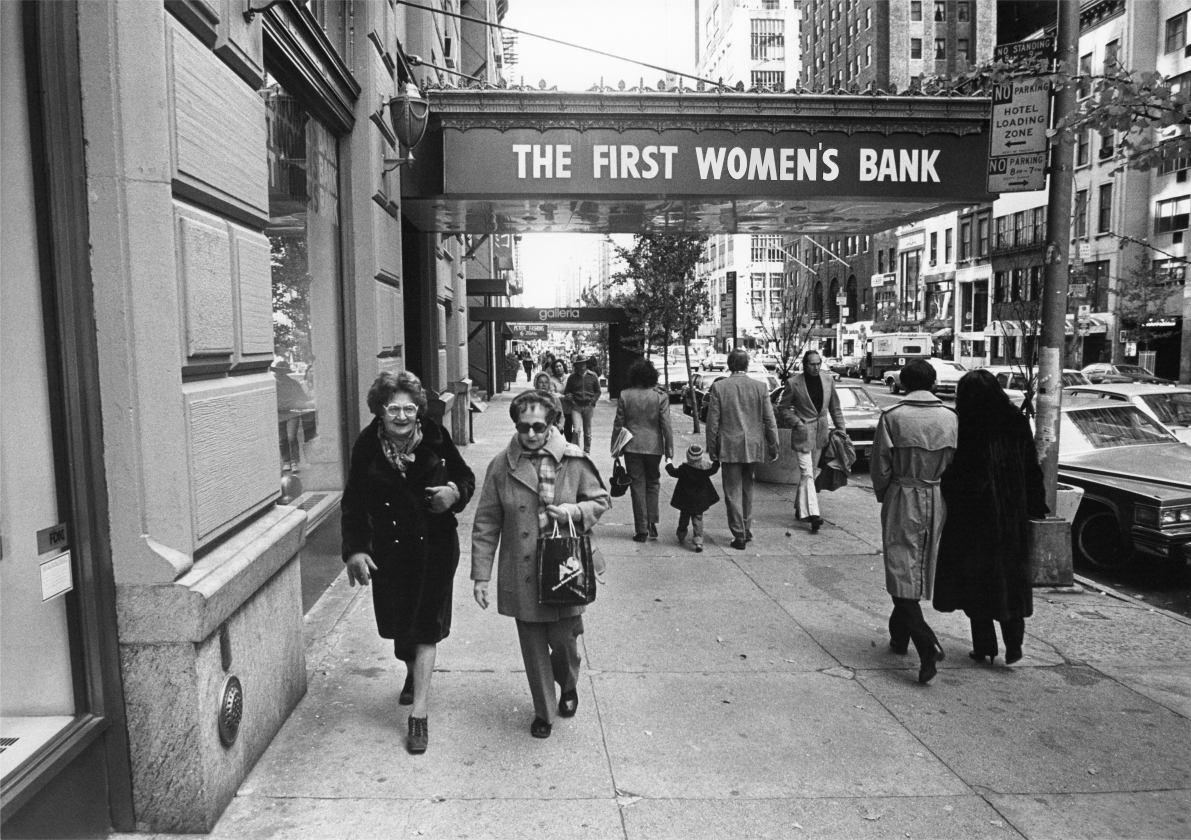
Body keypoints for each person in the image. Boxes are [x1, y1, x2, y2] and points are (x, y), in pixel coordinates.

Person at [341, 370, 475, 753]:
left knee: (427, 627)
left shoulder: (435, 436)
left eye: (409, 408)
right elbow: (353, 502)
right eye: (393, 409)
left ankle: (419, 715)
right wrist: (356, 549)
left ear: (418, 410)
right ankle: (411, 672)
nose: (402, 416)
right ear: (380, 411)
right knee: (401, 632)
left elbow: (465, 476)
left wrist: (453, 493)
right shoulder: (366, 445)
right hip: (389, 550)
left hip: (434, 544)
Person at [471, 390, 611, 738]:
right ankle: (544, 712)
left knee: (564, 643)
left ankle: (568, 683)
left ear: (552, 424)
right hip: (523, 572)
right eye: (523, 427)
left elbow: (600, 499)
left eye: (538, 426)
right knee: (533, 649)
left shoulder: (574, 461)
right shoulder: (502, 466)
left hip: (566, 569)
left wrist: (575, 512)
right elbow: (486, 522)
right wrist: (481, 577)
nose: (531, 434)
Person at [933, 369, 1048, 665]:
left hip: (976, 516)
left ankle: (984, 647)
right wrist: (1035, 505)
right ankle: (1014, 643)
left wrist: (951, 494)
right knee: (1011, 578)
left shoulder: (967, 424)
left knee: (976, 581)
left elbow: (962, 474)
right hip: (1011, 514)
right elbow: (1031, 467)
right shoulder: (1015, 420)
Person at [871, 358, 957, 685]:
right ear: (933, 382)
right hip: (936, 495)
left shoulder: (893, 418)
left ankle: (925, 642)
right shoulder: (951, 418)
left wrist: (885, 494)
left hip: (902, 492)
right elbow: (955, 464)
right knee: (917, 564)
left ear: (904, 383)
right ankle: (899, 637)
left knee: (899, 563)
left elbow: (880, 465)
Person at [705, 348, 779, 550]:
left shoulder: (720, 387)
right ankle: (746, 528)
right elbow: (769, 420)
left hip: (729, 446)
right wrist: (773, 444)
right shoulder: (760, 387)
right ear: (747, 365)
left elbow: (713, 422)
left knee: (732, 491)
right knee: (748, 488)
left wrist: (711, 447)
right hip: (753, 444)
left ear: (729, 365)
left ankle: (738, 533)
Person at [776, 349, 846, 534]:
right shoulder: (794, 383)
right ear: (805, 365)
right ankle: (814, 514)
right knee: (807, 473)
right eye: (812, 364)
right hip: (802, 432)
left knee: (810, 474)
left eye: (818, 363)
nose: (816, 367)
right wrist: (796, 422)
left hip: (820, 434)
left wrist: (842, 430)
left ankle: (801, 508)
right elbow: (783, 408)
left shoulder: (828, 380)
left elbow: (835, 408)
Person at [611, 358, 673, 542]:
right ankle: (652, 521)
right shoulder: (660, 396)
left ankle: (641, 529)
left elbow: (618, 424)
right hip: (654, 447)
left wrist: (616, 448)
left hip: (632, 446)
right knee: (653, 482)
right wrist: (669, 451)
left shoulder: (625, 395)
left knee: (637, 485)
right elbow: (666, 426)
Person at [665, 444, 721, 552]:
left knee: (683, 518)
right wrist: (716, 459)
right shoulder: (705, 468)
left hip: (685, 499)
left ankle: (681, 535)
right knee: (698, 518)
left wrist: (669, 462)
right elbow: (714, 468)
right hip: (700, 500)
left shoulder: (684, 469)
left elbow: (673, 472)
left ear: (687, 456)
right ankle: (698, 541)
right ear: (701, 457)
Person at [564, 355, 602, 454]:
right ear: (577, 365)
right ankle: (576, 451)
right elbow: (567, 391)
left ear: (586, 364)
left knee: (587, 432)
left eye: (583, 363)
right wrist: (570, 398)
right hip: (576, 406)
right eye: (579, 364)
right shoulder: (572, 377)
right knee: (576, 430)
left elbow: (598, 391)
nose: (582, 365)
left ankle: (586, 451)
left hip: (589, 406)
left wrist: (593, 401)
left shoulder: (593, 376)